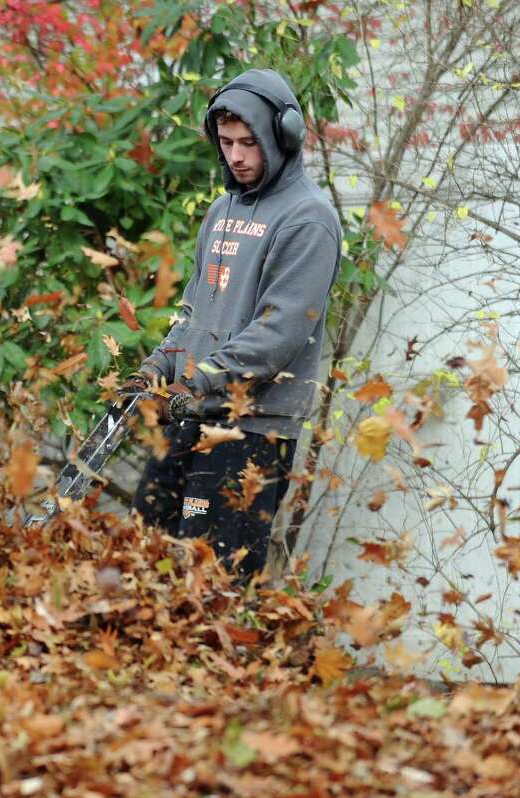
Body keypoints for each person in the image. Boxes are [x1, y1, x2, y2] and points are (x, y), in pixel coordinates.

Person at [125, 68, 341, 579]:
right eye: (226, 143)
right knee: (143, 558)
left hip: (251, 432)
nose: (237, 156)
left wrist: (196, 379)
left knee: (209, 586)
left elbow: (277, 335)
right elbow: (196, 309)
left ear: (282, 137)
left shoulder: (308, 220)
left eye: (249, 142)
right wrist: (157, 367)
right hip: (194, 413)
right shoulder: (221, 211)